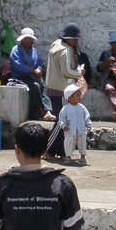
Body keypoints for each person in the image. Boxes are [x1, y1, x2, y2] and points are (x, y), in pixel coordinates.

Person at [45, 23, 83, 157]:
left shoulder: (56, 45)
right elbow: (66, 71)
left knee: (63, 119)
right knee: (62, 121)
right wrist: (79, 72)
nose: (76, 41)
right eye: (74, 39)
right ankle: (49, 150)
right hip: (61, 89)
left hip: (53, 87)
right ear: (69, 38)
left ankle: (60, 151)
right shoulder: (65, 50)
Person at [8, 28, 55, 122]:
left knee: (44, 86)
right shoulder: (16, 50)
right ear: (22, 39)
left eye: (30, 38)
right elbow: (17, 65)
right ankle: (42, 112)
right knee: (35, 86)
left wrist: (39, 69)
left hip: (32, 76)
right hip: (19, 77)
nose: (28, 40)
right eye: (26, 38)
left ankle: (48, 111)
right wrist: (32, 71)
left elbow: (38, 63)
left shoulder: (34, 51)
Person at [58, 83, 92, 164]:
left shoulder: (82, 107)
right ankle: (68, 157)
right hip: (70, 130)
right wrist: (63, 126)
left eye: (80, 95)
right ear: (70, 97)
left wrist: (88, 124)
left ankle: (83, 157)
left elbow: (87, 116)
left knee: (82, 143)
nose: (80, 97)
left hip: (81, 129)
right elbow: (61, 118)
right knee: (69, 143)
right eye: (78, 95)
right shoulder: (65, 108)